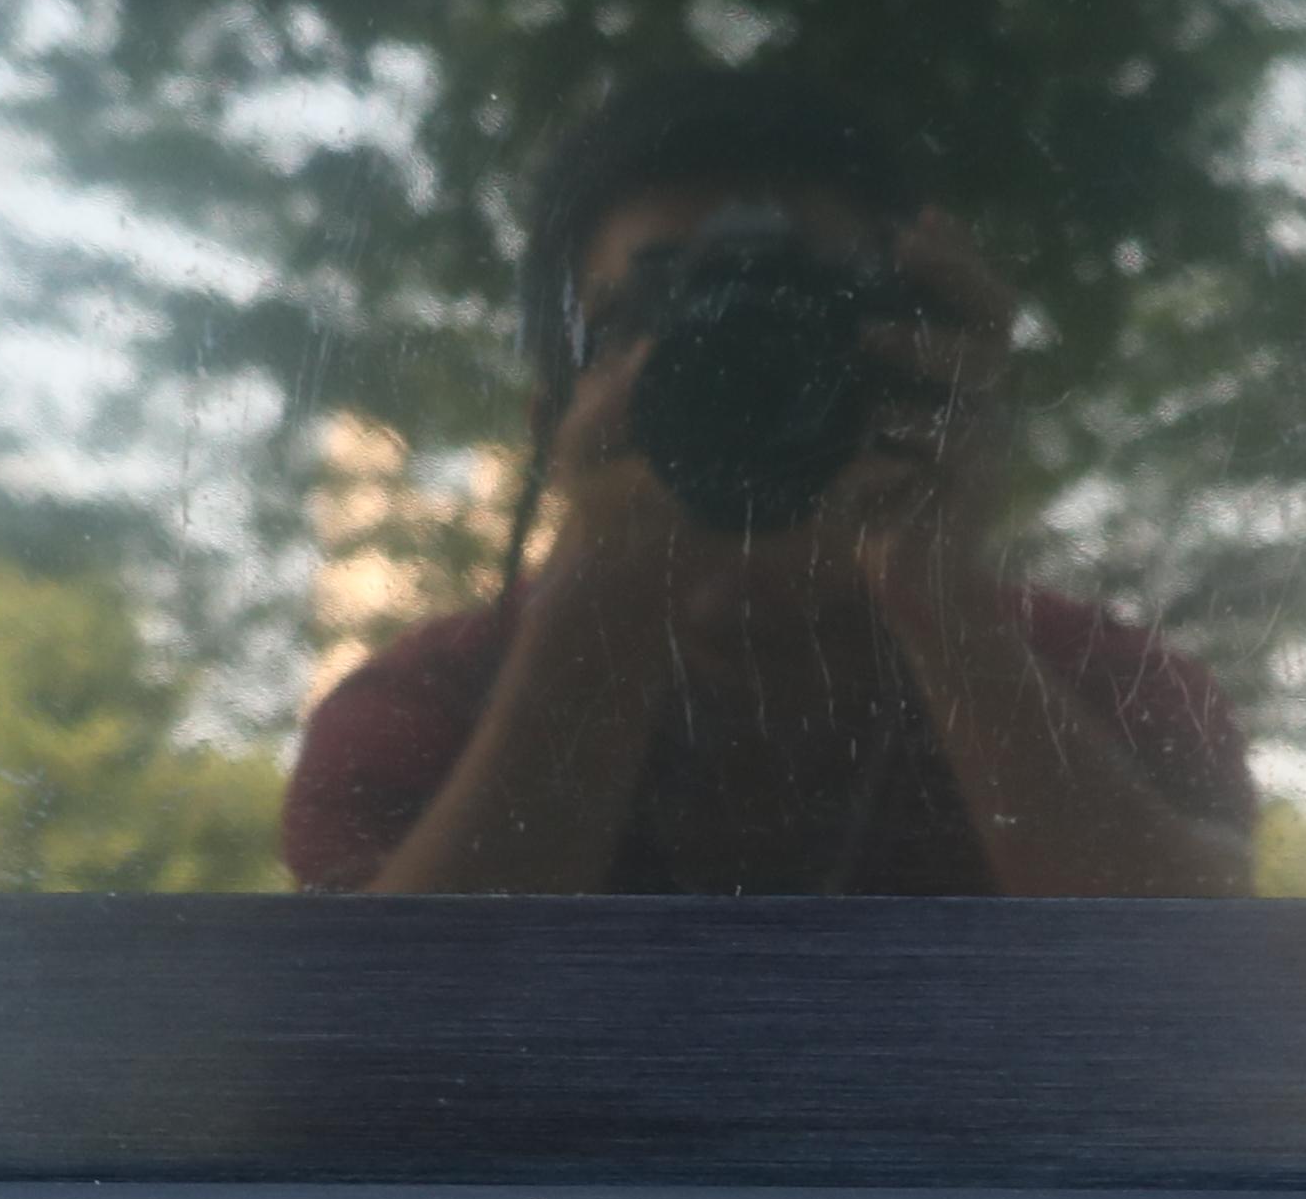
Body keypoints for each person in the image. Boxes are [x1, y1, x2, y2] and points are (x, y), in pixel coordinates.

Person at [282, 72, 1256, 898]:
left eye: (814, 313)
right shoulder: (419, 706)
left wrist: (945, 605)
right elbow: (393, 1049)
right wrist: (599, 608)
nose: (741, 363)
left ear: (930, 370)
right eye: (657, 318)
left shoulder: (1108, 687)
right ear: (554, 430)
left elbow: (1199, 1009)